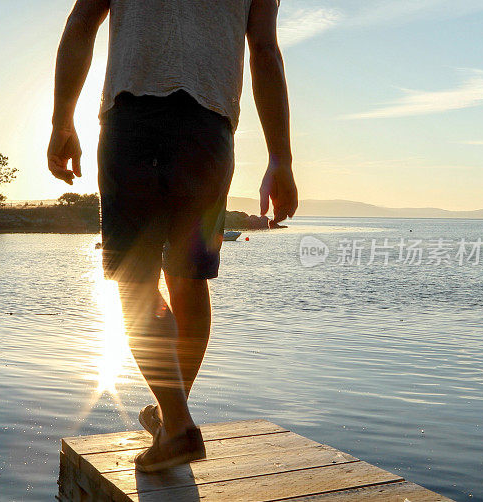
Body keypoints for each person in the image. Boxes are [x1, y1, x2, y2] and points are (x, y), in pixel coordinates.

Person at [47, 0, 297, 472]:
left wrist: (62, 120)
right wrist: (281, 158)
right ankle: (171, 418)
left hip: (132, 116)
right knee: (189, 278)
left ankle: (177, 424)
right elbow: (265, 50)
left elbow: (81, 22)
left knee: (135, 279)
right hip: (209, 130)